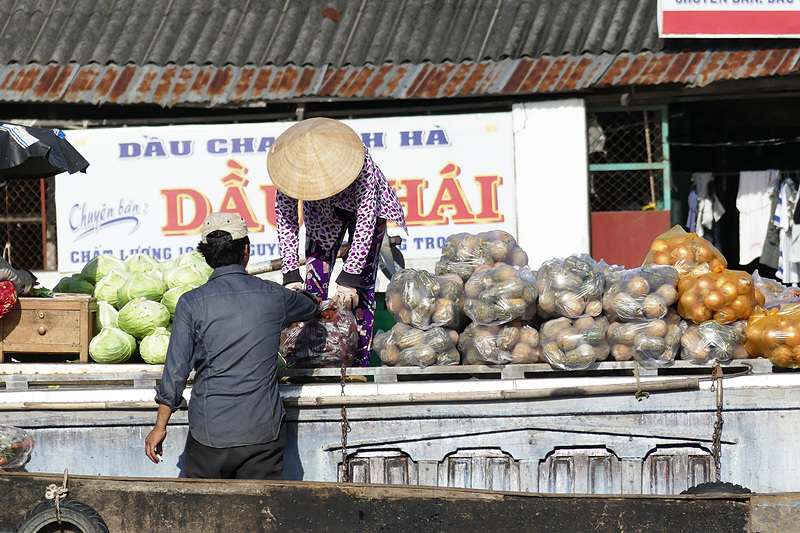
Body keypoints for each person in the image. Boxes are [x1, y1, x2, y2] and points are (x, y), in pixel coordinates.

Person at [145, 212, 319, 479]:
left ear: (206, 256)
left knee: (205, 514)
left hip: (210, 433)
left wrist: (160, 426)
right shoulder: (273, 296)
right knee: (262, 515)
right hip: (262, 433)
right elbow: (310, 306)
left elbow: (176, 371)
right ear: (246, 250)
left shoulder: (191, 303)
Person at [268, 117, 407, 367]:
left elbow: (366, 217)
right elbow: (286, 219)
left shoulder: (358, 159)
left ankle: (358, 364)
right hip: (321, 216)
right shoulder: (289, 169)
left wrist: (350, 277)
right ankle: (310, 360)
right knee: (311, 291)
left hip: (366, 214)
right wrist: (290, 274)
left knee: (360, 292)